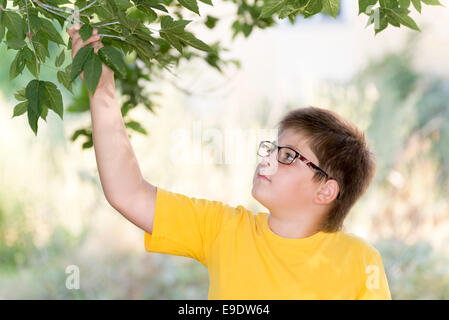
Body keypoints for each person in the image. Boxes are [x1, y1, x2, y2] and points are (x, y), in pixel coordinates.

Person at [67, 24, 392, 300]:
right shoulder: (224, 229)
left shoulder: (361, 262)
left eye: (289, 155)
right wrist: (101, 89)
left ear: (325, 191)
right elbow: (128, 193)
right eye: (272, 148)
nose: (268, 159)